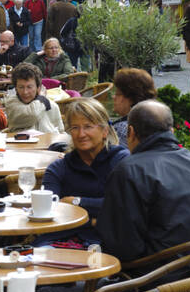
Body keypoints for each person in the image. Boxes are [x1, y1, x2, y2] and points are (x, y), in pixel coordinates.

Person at [95, 101, 190, 265]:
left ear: (131, 132)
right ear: (171, 131)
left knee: (61, 289)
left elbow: (120, 247)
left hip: (151, 281)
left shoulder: (130, 170)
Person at [42, 98, 129, 245]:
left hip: (106, 243)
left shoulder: (120, 161)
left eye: (88, 126)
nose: (81, 134)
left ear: (104, 131)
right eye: (75, 128)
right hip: (57, 240)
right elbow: (48, 212)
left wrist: (76, 202)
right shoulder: (58, 168)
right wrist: (94, 221)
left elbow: (123, 207)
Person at [3, 62, 65, 136]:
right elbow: (32, 115)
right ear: (16, 88)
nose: (25, 92)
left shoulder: (52, 106)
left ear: (38, 88)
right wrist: (41, 98)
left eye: (29, 87)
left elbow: (61, 131)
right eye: (21, 87)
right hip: (21, 146)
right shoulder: (11, 103)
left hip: (48, 146)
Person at [111, 68, 157, 146]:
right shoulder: (156, 122)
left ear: (131, 98)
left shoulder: (122, 129)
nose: (113, 97)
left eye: (117, 93)